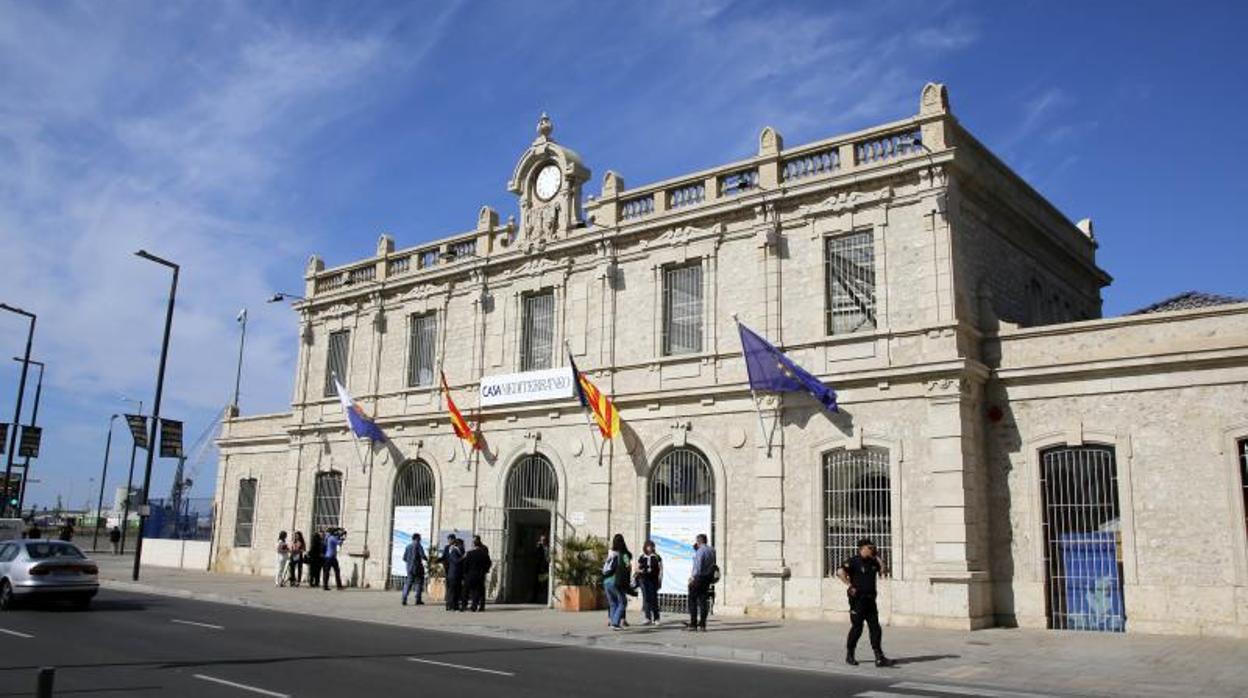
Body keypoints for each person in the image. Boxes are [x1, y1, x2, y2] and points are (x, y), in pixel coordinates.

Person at [836, 538, 894, 667]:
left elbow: (883, 571)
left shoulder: (873, 561)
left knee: (875, 628)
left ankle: (879, 657)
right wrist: (850, 585)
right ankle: (850, 654)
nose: (872, 549)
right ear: (862, 548)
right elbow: (840, 572)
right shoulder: (853, 561)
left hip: (870, 599)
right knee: (857, 628)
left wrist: (877, 557)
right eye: (870, 547)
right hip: (858, 600)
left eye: (873, 547)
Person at [684, 533, 715, 632]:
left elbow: (697, 566)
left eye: (697, 541)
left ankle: (693, 624)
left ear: (699, 541)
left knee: (692, 600)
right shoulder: (712, 550)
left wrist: (692, 578)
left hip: (698, 578)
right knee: (703, 602)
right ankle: (702, 625)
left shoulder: (700, 551)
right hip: (707, 578)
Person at [603, 533, 632, 630]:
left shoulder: (611, 553)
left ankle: (612, 622)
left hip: (606, 581)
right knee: (623, 602)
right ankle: (615, 623)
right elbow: (628, 566)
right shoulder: (623, 554)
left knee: (613, 603)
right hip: (615, 581)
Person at [636, 539, 663, 625]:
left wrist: (660, 580)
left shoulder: (657, 557)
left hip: (653, 580)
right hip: (643, 579)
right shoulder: (642, 557)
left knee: (653, 599)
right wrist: (640, 571)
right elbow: (637, 568)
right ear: (645, 547)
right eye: (648, 546)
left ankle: (656, 618)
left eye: (651, 546)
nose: (650, 548)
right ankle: (647, 617)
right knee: (646, 598)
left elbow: (661, 570)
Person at [462, 535, 492, 612]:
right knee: (477, 590)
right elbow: (488, 563)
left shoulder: (469, 553)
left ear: (474, 544)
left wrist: (465, 573)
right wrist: (485, 570)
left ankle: (464, 605)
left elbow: (465, 564)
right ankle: (474, 606)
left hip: (470, 574)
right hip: (480, 574)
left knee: (466, 590)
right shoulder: (484, 553)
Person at [401, 532, 427, 606]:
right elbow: (423, 556)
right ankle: (418, 599)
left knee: (408, 584)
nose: (420, 539)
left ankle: (404, 598)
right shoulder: (419, 546)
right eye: (420, 538)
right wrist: (428, 559)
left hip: (409, 568)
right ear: (417, 538)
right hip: (418, 568)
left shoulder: (408, 546)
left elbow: (404, 558)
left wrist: (410, 563)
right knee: (419, 583)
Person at [443, 535, 465, 611]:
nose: (463, 546)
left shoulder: (455, 550)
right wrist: (463, 557)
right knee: (452, 590)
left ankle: (452, 605)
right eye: (462, 545)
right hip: (453, 573)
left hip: (454, 573)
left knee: (454, 590)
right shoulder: (454, 550)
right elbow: (456, 561)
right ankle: (451, 605)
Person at [532, 534, 550, 604]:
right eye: (542, 540)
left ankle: (544, 598)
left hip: (545, 567)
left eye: (544, 540)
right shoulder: (539, 547)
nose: (543, 541)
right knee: (537, 583)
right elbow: (535, 554)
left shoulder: (547, 547)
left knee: (544, 582)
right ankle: (536, 598)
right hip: (539, 567)